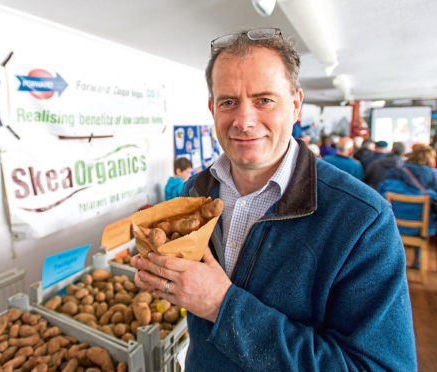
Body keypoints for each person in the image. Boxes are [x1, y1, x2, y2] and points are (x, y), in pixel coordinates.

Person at [132, 27, 416, 371]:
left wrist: (222, 307)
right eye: (228, 102)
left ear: (295, 105)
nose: (244, 121)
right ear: (212, 108)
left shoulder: (363, 221)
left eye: (264, 100)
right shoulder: (196, 192)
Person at [378, 144, 437, 269]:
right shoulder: (434, 177)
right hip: (420, 228)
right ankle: (417, 259)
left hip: (392, 224)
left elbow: (380, 194)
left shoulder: (395, 174)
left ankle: (389, 261)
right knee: (423, 213)